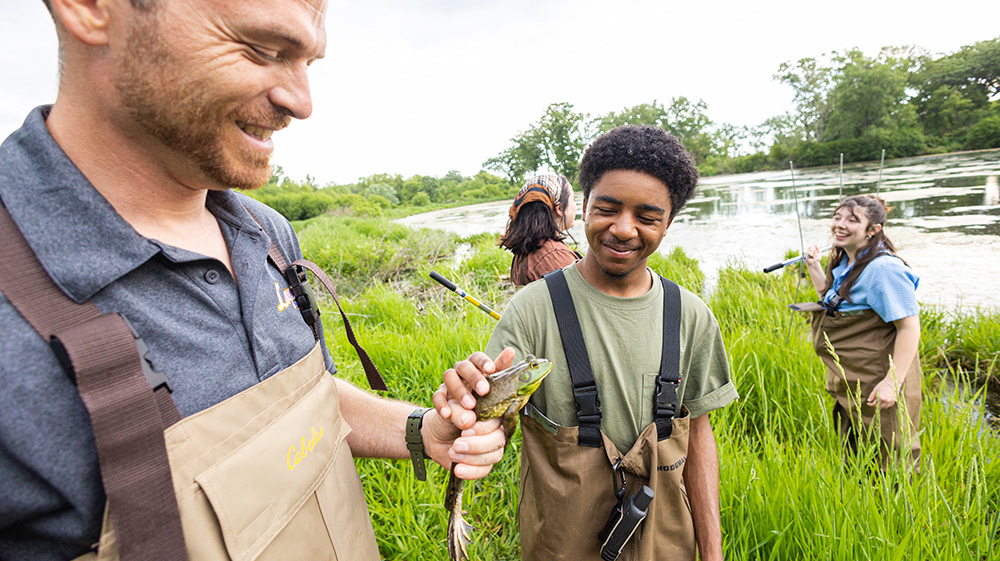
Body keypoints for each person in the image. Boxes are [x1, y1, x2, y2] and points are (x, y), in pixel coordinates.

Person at [0, 1, 507, 560]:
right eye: (264, 50)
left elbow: (306, 400)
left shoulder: (266, 232)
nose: (302, 102)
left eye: (308, 63)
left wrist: (423, 432)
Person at [437, 125, 738, 560]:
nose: (623, 229)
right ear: (582, 208)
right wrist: (469, 414)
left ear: (669, 223)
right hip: (562, 543)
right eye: (608, 209)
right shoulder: (531, 310)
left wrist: (712, 550)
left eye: (648, 217)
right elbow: (492, 425)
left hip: (668, 541)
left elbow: (700, 436)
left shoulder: (691, 316)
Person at [803, 194, 922, 470]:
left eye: (852, 220)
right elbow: (833, 300)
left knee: (892, 455)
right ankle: (866, 509)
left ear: (873, 230)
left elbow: (909, 327)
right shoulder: (847, 261)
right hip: (853, 375)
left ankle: (899, 513)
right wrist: (814, 267)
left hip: (879, 374)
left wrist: (892, 381)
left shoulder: (883, 269)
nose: (840, 225)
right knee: (858, 450)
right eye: (837, 217)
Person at [499, 174, 581, 286]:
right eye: (573, 199)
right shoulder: (554, 255)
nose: (576, 206)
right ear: (559, 209)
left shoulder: (523, 253)